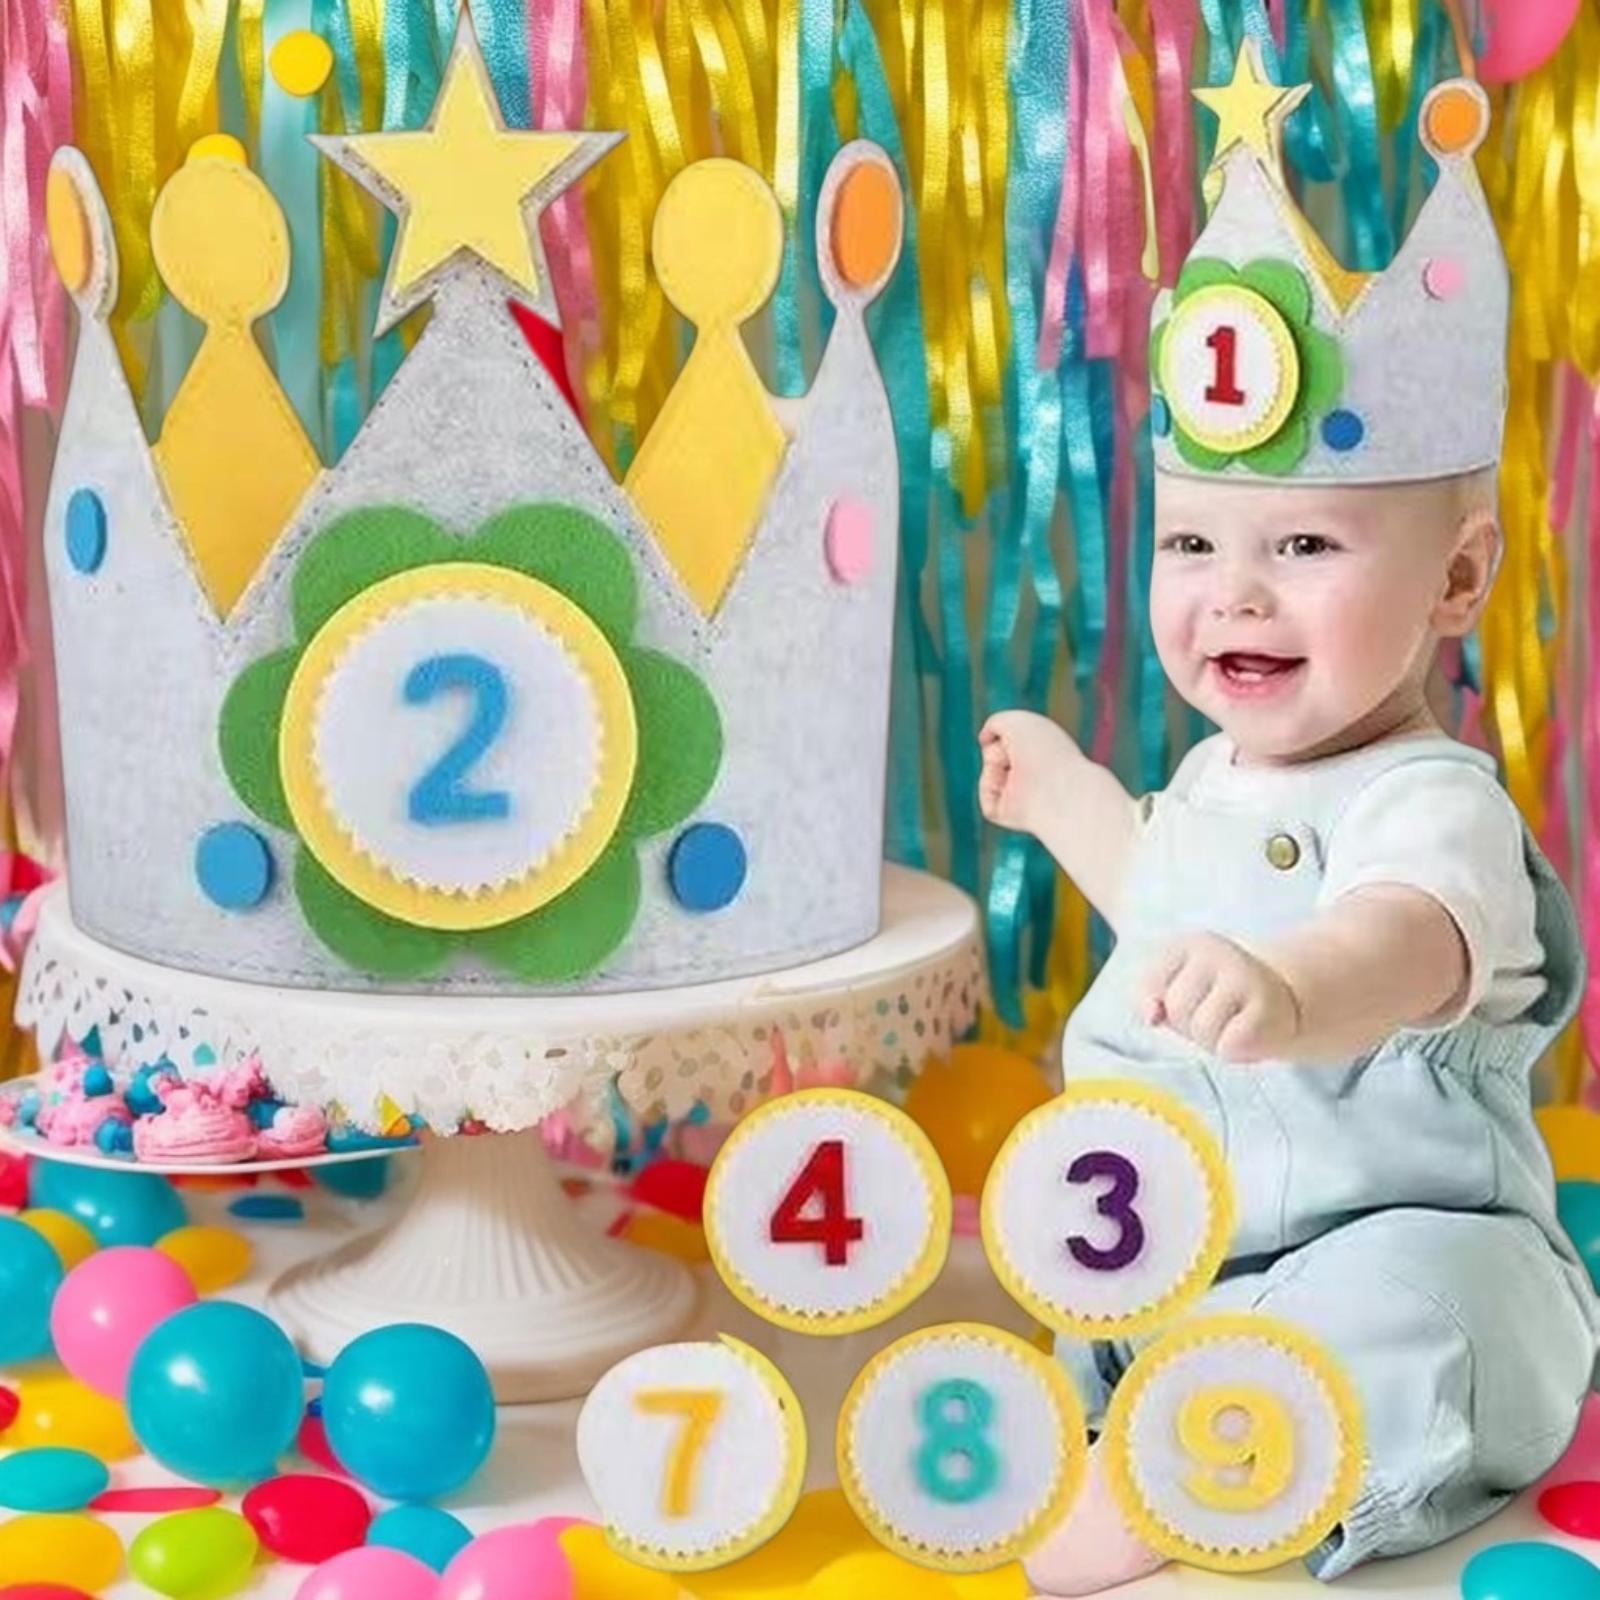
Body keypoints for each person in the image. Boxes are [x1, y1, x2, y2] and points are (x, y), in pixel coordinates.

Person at [978, 53, 1599, 1595]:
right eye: (1193, 543)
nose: (1235, 594)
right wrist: (1064, 799)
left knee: (1430, 1319)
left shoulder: (1430, 801)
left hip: (1403, 1238)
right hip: (1176, 1257)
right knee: (1089, 1293)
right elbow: (1162, 892)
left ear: (1458, 580)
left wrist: (1299, 989)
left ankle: (1203, 1465)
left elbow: (1409, 939)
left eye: (1306, 545)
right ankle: (1161, 1408)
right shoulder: (1210, 782)